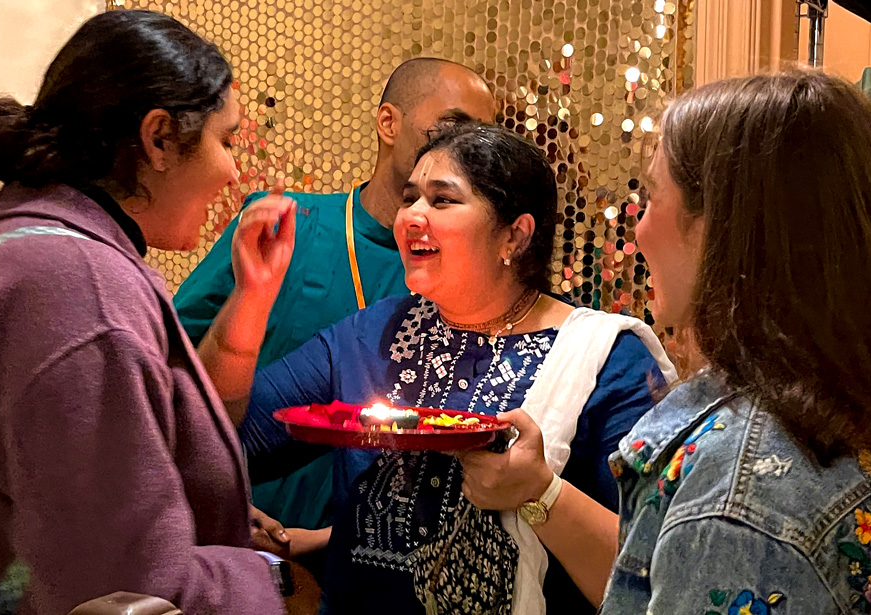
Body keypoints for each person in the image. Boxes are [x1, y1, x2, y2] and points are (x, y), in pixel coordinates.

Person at [464, 70, 871, 614]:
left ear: (720, 226)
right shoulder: (865, 401)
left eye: (652, 197)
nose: (639, 229)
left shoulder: (736, 508)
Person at [232, 123, 677, 614]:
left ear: (515, 234)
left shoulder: (604, 357)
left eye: (442, 200)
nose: (411, 218)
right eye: (410, 198)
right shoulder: (375, 332)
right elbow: (233, 440)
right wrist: (252, 296)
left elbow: (654, 578)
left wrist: (542, 495)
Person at [0, 10, 297, 614]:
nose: (233, 171)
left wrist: (253, 297)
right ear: (159, 138)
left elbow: (144, 442)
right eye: (225, 139)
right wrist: (265, 580)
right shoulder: (75, 288)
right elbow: (129, 594)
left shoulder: (47, 250)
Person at [176, 58, 498, 547]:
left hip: (390, 559)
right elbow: (168, 364)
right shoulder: (289, 226)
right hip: (256, 540)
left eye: (484, 137)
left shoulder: (466, 278)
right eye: (454, 126)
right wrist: (207, 494)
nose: (467, 149)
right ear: (388, 123)